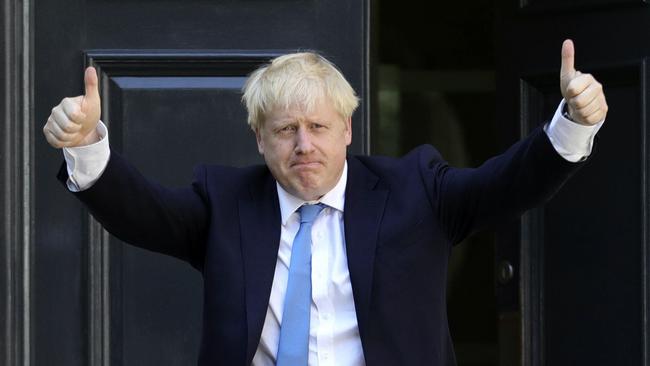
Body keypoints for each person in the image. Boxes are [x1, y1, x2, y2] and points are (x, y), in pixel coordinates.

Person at [43, 39, 607, 366]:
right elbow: (141, 212)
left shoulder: (416, 190)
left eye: (318, 126)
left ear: (348, 132)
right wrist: (88, 143)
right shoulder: (226, 202)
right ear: (259, 140)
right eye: (286, 129)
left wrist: (571, 126)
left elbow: (505, 185)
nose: (304, 144)